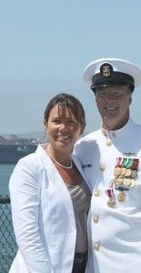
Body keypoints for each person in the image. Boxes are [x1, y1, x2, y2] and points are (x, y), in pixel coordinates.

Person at [73, 57, 141, 273]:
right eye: (102, 94)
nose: (109, 101)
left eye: (117, 94)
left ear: (130, 98)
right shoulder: (84, 147)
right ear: (94, 99)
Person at [9, 93, 91, 273]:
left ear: (81, 127)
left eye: (71, 122)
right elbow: (27, 234)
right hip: (47, 267)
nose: (64, 128)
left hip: (82, 265)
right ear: (45, 124)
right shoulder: (29, 168)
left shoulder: (81, 165)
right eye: (57, 121)